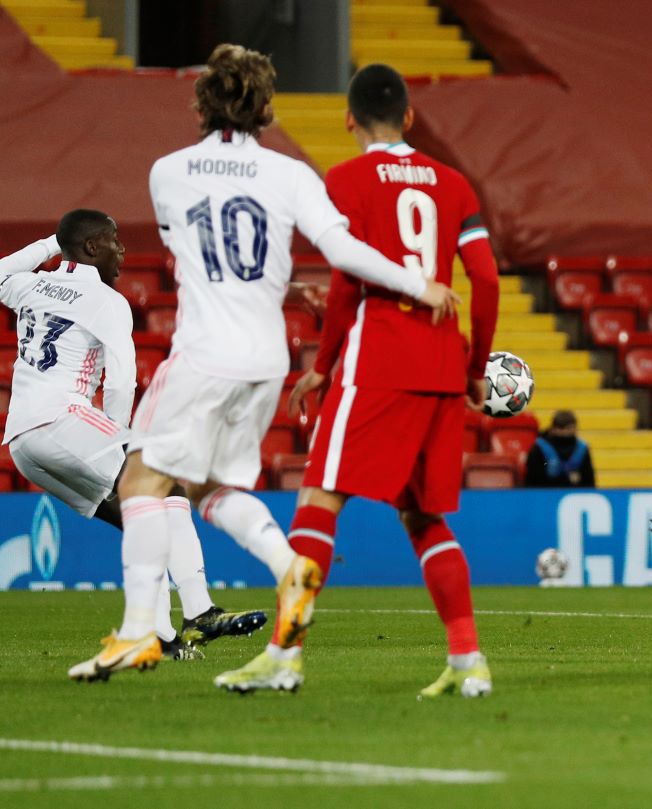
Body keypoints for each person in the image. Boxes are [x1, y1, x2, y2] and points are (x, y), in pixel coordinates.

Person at [68, 44, 460, 682]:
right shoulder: (292, 175)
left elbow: (204, 259)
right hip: (264, 357)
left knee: (139, 481)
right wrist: (420, 286)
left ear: (203, 101)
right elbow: (342, 248)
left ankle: (139, 632)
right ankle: (289, 569)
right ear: (266, 107)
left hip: (204, 351)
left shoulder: (168, 172)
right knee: (209, 488)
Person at [214, 63, 500, 695]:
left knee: (319, 498)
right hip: (442, 362)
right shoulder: (454, 184)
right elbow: (484, 278)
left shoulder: (343, 180)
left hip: (379, 359)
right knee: (423, 515)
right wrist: (475, 368)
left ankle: (284, 657)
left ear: (348, 119)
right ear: (410, 117)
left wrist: (323, 364)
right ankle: (466, 660)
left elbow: (347, 278)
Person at [0, 216, 264, 672]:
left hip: (22, 442)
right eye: (113, 241)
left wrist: (51, 244)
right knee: (162, 482)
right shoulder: (106, 300)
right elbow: (121, 381)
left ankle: (158, 637)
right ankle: (201, 610)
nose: (122, 250)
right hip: (63, 418)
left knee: (139, 520)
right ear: (90, 246)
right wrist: (122, 442)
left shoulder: (31, 286)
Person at [525, 410, 595, 487]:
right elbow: (532, 479)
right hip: (545, 493)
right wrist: (568, 479)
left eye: (569, 429)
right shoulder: (540, 448)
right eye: (562, 429)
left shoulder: (582, 449)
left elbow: (589, 481)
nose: (566, 433)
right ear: (553, 429)